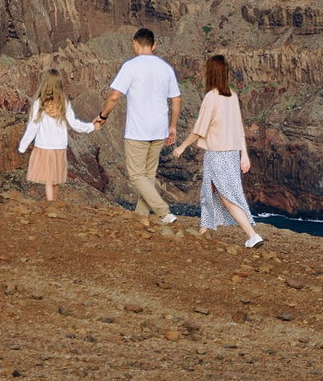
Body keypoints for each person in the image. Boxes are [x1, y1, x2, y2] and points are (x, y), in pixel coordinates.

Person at [173, 51, 263, 246]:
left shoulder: (211, 98)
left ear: (211, 73)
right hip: (231, 155)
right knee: (208, 192)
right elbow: (240, 128)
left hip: (217, 156)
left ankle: (252, 235)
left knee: (227, 197)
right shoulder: (233, 97)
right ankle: (204, 233)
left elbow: (199, 130)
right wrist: (244, 155)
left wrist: (182, 147)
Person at [94, 27, 181, 225]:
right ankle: (140, 219)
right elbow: (176, 100)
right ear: (154, 45)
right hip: (159, 129)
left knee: (136, 176)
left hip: (138, 131)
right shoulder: (166, 68)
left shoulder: (130, 67)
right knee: (147, 178)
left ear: (135, 44)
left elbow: (115, 96)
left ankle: (164, 212)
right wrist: (173, 126)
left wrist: (103, 116)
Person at [16, 71, 93, 202]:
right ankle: (54, 203)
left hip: (44, 146)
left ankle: (50, 204)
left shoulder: (39, 104)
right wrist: (91, 127)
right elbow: (74, 124)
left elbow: (32, 127)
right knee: (56, 179)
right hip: (59, 147)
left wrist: (22, 147)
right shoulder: (64, 103)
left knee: (48, 180)